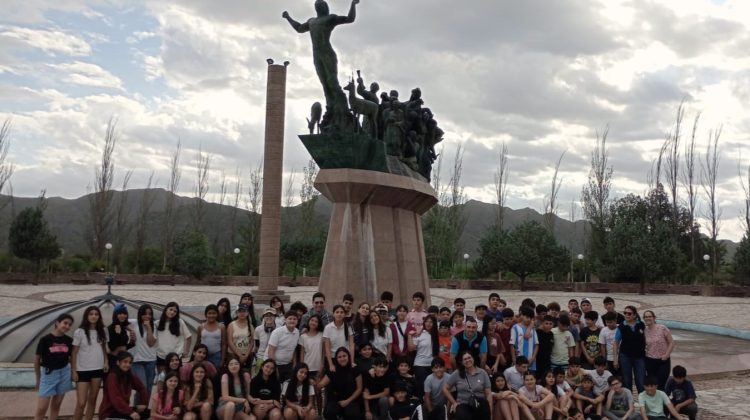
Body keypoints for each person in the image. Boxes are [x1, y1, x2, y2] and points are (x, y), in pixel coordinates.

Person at [34, 313, 74, 420]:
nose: (67, 326)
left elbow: (72, 358)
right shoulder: (45, 340)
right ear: (57, 323)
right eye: (65, 323)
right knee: (42, 407)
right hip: (49, 375)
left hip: (64, 373)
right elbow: (37, 360)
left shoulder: (69, 341)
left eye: (69, 325)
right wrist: (38, 379)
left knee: (56, 405)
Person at [72, 306, 108, 420]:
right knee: (81, 402)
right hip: (82, 370)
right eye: (91, 314)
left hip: (97, 369)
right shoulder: (79, 331)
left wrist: (106, 361)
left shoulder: (103, 330)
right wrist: (73, 371)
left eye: (96, 314)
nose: (93, 316)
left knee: (92, 400)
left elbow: (103, 348)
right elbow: (74, 353)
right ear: (86, 316)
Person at [442, 350, 492, 420]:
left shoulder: (482, 372)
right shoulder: (457, 373)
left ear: (473, 358)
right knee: (464, 416)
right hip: (463, 403)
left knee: (485, 410)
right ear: (462, 362)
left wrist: (491, 412)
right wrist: (454, 403)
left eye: (469, 358)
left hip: (479, 403)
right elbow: (445, 388)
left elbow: (488, 393)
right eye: (465, 359)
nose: (467, 360)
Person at [98, 351, 149, 420]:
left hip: (122, 410)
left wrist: (143, 403)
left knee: (147, 412)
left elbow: (142, 388)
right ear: (118, 362)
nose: (128, 365)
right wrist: (130, 412)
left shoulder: (129, 375)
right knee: (131, 417)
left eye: (130, 362)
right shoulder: (112, 376)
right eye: (125, 362)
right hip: (109, 413)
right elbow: (116, 399)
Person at [318, 347, 364, 420]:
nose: (342, 359)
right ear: (336, 359)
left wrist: (347, 401)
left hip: (351, 400)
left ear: (348, 356)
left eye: (344, 356)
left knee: (354, 415)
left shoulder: (355, 369)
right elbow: (320, 386)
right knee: (329, 412)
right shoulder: (333, 370)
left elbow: (359, 389)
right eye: (339, 357)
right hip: (336, 401)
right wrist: (313, 381)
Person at [614, 305, 646, 393]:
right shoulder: (621, 326)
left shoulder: (641, 325)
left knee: (640, 380)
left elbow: (646, 339)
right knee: (627, 380)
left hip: (639, 356)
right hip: (625, 356)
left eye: (629, 313)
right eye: (625, 313)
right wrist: (615, 359)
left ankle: (642, 402)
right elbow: (616, 343)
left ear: (635, 315)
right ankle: (629, 402)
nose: (626, 315)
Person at [130, 304, 157, 403]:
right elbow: (121, 322)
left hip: (150, 361)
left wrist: (149, 327)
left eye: (150, 314)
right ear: (140, 314)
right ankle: (137, 409)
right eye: (145, 314)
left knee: (148, 388)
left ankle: (143, 411)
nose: (147, 316)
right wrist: (130, 331)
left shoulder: (154, 326)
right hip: (137, 361)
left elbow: (151, 343)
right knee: (142, 387)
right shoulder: (134, 323)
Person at [408, 314, 439, 399]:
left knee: (432, 387)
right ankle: (422, 406)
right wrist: (409, 336)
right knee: (423, 386)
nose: (428, 324)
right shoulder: (420, 334)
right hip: (420, 365)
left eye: (431, 322)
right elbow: (411, 348)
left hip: (432, 365)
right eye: (427, 321)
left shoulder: (436, 335)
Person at [643, 310, 674, 390]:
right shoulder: (644, 331)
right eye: (646, 317)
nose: (648, 318)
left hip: (663, 360)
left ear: (654, 318)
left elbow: (671, 342)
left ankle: (662, 400)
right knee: (652, 384)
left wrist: (667, 354)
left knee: (661, 384)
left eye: (650, 316)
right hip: (650, 360)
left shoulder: (662, 328)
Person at [156, 302, 193, 369]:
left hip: (176, 357)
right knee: (161, 377)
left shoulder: (180, 322)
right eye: (171, 309)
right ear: (166, 309)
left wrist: (186, 352)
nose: (172, 312)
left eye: (175, 311)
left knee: (175, 377)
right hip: (161, 356)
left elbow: (189, 337)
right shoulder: (157, 323)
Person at [268, 310, 300, 383]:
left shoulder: (297, 332)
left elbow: (294, 349)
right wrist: (274, 368)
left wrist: (294, 365)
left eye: (294, 319)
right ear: (285, 320)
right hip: (276, 365)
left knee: (287, 387)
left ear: (297, 321)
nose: (292, 321)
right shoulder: (277, 332)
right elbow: (271, 352)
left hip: (288, 365)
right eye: (290, 318)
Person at [323, 304, 355, 372]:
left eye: (341, 312)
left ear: (344, 314)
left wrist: (352, 361)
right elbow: (327, 348)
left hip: (345, 358)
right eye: (337, 312)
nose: (339, 314)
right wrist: (331, 364)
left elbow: (351, 345)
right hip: (333, 358)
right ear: (333, 314)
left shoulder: (348, 327)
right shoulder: (328, 328)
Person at [196, 304, 226, 368]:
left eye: (214, 313)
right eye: (209, 313)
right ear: (206, 314)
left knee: (216, 375)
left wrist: (222, 360)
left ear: (217, 314)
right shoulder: (201, 327)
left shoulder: (221, 327)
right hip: (203, 355)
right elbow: (198, 343)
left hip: (217, 355)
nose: (211, 315)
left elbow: (223, 344)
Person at [510, 306, 539, 373]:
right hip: (519, 361)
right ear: (522, 316)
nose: (528, 319)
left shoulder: (533, 329)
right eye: (527, 317)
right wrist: (514, 360)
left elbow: (536, 345)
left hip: (531, 362)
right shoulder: (515, 328)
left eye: (530, 318)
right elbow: (512, 345)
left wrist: (533, 358)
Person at [106, 303, 135, 369]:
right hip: (114, 361)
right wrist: (117, 334)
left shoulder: (123, 328)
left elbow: (123, 346)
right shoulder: (110, 328)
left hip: (123, 361)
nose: (123, 315)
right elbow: (111, 347)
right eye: (120, 313)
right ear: (115, 315)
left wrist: (132, 342)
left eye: (124, 314)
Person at [252, 308, 277, 375]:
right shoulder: (258, 329)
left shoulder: (279, 329)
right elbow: (257, 345)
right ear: (263, 317)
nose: (269, 317)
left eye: (271, 315)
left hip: (274, 357)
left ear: (275, 317)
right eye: (266, 316)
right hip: (261, 356)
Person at [536, 315, 555, 379]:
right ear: (542, 323)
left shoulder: (551, 334)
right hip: (537, 360)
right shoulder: (537, 332)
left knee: (546, 378)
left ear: (553, 325)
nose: (548, 325)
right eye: (546, 323)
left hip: (547, 361)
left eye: (550, 324)